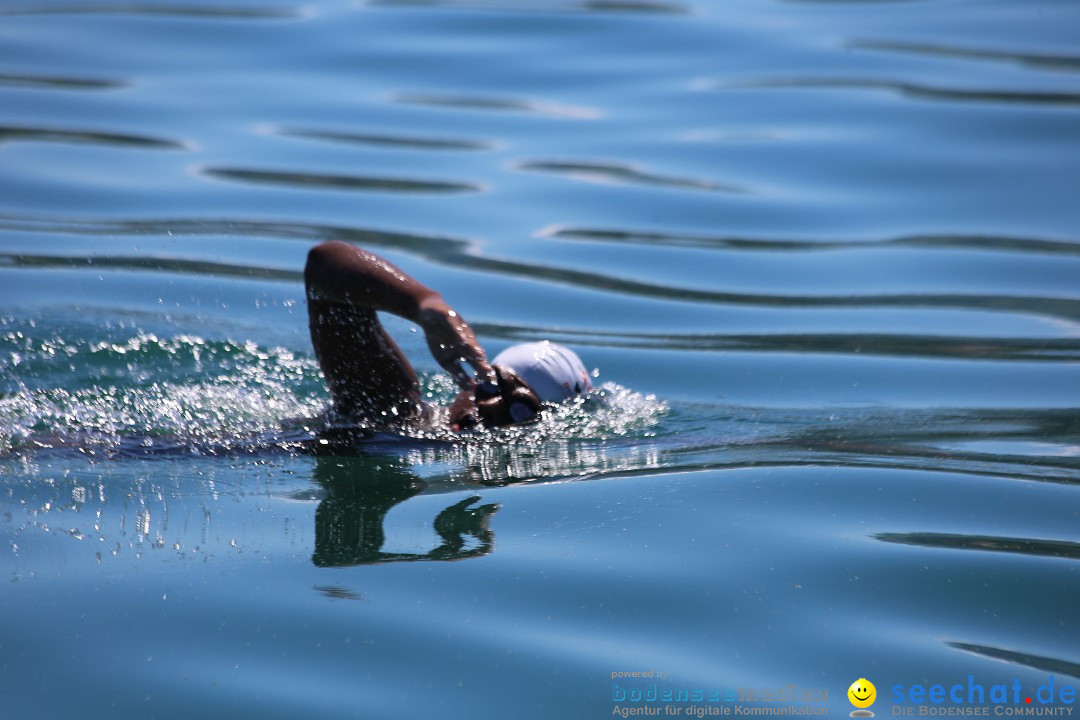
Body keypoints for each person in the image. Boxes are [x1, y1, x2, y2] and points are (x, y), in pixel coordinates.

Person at [304, 241, 591, 431]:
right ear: (470, 384)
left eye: (518, 413)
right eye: (489, 388)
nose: (487, 409)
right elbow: (323, 265)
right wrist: (425, 305)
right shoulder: (393, 407)